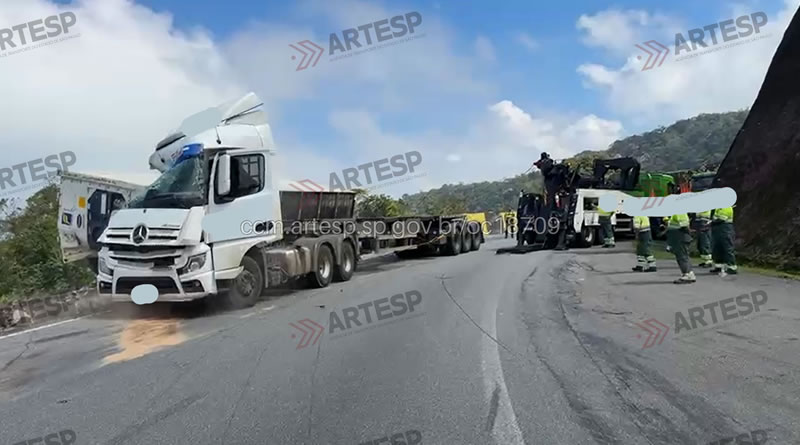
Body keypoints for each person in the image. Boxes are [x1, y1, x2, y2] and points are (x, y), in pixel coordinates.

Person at [666, 213, 696, 284]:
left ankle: (687, 274)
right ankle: (689, 273)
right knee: (683, 256)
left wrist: (690, 233)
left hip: (680, 238)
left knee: (682, 256)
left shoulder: (680, 212)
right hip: (678, 238)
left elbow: (685, 226)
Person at [710, 206, 737, 275]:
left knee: (727, 248)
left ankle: (732, 267)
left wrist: (711, 222)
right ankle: (718, 266)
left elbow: (721, 219)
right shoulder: (718, 207)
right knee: (717, 248)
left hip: (725, 229)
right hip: (718, 229)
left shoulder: (727, 207)